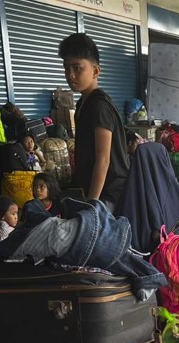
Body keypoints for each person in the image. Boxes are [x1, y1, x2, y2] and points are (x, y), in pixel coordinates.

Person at [59, 33, 129, 210]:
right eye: (67, 68)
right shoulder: (84, 102)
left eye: (77, 68)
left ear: (96, 71)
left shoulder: (99, 106)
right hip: (97, 192)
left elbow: (103, 159)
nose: (70, 75)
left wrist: (92, 204)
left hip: (110, 194)